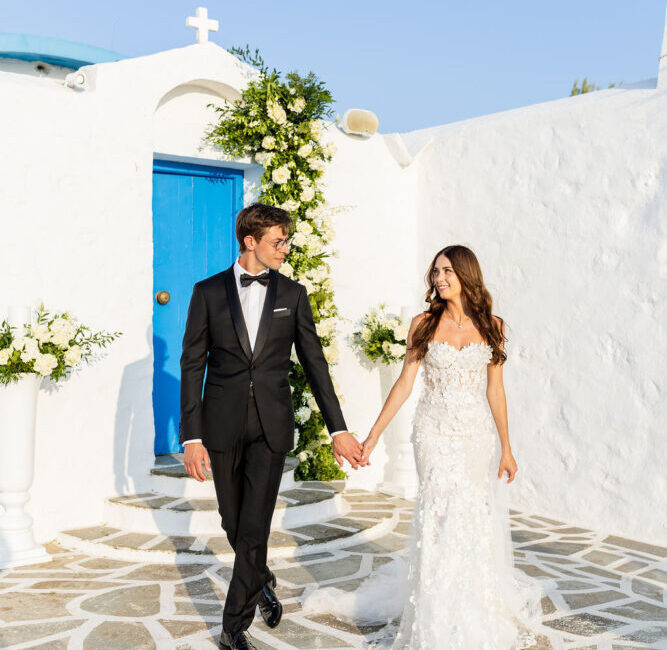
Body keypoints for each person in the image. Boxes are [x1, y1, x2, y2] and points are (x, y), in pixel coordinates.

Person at [303, 245, 543, 649]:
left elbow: (496, 391)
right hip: (433, 434)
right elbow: (404, 384)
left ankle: (473, 607)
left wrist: (506, 447)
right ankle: (434, 616)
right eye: (435, 272)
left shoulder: (493, 326)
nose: (439, 279)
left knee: (469, 518)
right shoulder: (423, 324)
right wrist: (374, 435)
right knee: (438, 514)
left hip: (475, 438)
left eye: (447, 271)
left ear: (467, 274)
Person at [179, 203, 365, 650]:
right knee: (232, 520)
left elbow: (315, 364)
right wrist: (191, 436)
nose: (286, 249)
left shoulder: (293, 294)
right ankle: (259, 578)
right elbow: (192, 364)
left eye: (286, 241)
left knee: (254, 526)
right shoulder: (206, 292)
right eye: (278, 242)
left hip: (270, 427)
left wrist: (338, 428)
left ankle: (233, 628)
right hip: (220, 426)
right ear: (250, 242)